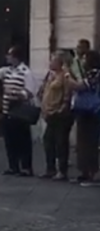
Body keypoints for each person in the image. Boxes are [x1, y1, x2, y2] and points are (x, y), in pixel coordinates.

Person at [0, 45, 37, 176]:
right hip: (7, 110)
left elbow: (30, 91)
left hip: (20, 110)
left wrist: (19, 94)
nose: (7, 57)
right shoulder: (7, 71)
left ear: (16, 57)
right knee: (10, 140)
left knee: (23, 140)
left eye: (9, 55)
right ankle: (13, 165)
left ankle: (26, 167)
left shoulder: (26, 72)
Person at [38, 52, 74, 180]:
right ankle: (50, 168)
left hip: (59, 114)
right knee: (48, 140)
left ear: (60, 62)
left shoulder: (64, 76)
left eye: (53, 61)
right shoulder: (50, 75)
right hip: (49, 112)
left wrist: (62, 108)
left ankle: (62, 170)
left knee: (60, 142)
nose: (50, 63)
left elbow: (67, 93)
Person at [71, 40, 100, 186]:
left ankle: (92, 173)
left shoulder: (95, 73)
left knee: (90, 142)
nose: (82, 60)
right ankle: (84, 172)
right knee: (82, 142)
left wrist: (66, 77)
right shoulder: (89, 72)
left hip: (92, 111)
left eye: (84, 58)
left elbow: (80, 86)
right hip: (84, 110)